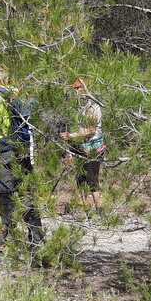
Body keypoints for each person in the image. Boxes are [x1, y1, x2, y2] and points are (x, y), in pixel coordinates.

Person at [0, 64, 44, 245]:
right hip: (22, 149)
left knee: (6, 194)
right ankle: (36, 236)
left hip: (3, 151)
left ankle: (9, 238)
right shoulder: (17, 94)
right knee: (26, 193)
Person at [60, 77, 105, 215]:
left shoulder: (93, 106)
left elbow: (91, 130)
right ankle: (84, 212)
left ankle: (101, 213)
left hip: (93, 148)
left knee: (92, 181)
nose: (75, 91)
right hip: (81, 147)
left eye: (78, 88)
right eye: (74, 88)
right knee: (80, 180)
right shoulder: (81, 105)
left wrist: (71, 136)